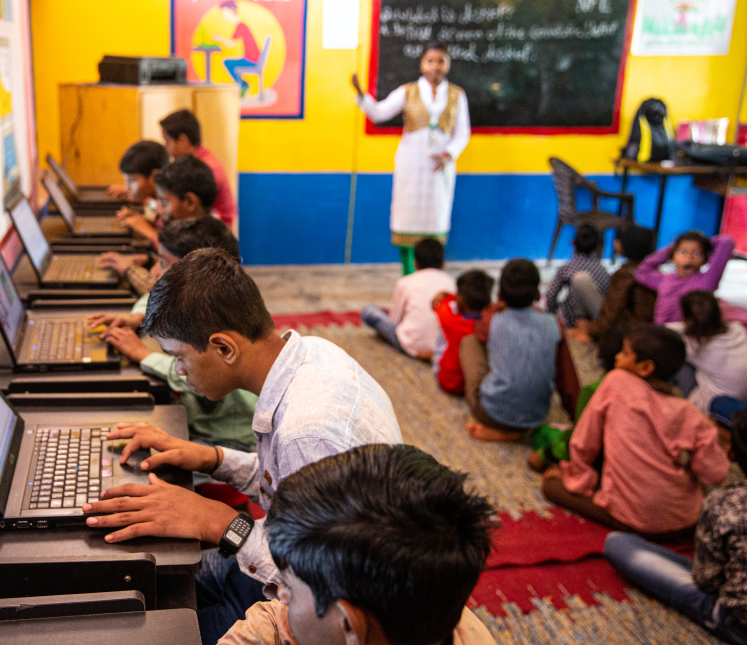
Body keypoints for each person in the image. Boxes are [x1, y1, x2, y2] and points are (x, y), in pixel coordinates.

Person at [79, 248, 403, 645]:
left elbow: (319, 590)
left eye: (179, 358)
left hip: (300, 608)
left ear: (225, 348)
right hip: (272, 552)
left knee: (140, 620)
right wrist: (213, 458)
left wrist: (218, 521)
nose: (178, 372)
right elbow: (290, 486)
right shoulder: (310, 354)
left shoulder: (309, 431)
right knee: (140, 580)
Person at [217, 444, 497, 645]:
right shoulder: (429, 605)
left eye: (289, 587)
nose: (281, 595)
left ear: (347, 624)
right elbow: (281, 622)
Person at [543, 324, 729, 540]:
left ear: (645, 367)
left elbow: (583, 442)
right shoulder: (689, 412)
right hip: (687, 522)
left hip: (632, 520)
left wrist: (578, 480)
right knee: (696, 492)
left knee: (551, 485)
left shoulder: (616, 381)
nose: (617, 358)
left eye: (624, 353)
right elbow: (716, 474)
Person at [89, 217, 257, 453]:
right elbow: (154, 295)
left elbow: (190, 373)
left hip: (228, 441)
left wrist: (143, 355)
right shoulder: (208, 296)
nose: (155, 271)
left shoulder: (212, 317)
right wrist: (138, 318)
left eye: (163, 263)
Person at [604, 406, 747, 645]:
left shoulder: (723, 503)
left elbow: (706, 580)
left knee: (617, 543)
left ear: (731, 454)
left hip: (739, 625)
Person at [351, 41, 471, 276]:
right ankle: (408, 275)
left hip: (440, 168)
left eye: (440, 61)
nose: (434, 66)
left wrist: (448, 154)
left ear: (447, 65)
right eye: (430, 60)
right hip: (410, 165)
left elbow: (463, 133)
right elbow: (379, 112)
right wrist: (361, 94)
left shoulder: (458, 95)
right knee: (407, 219)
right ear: (421, 63)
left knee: (435, 221)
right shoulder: (407, 91)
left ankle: (431, 276)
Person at [459, 259, 559, 442]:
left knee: (469, 342)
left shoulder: (491, 321)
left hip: (491, 414)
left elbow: (478, 331)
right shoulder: (555, 324)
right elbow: (567, 380)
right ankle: (519, 429)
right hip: (537, 415)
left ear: (499, 294)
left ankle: (504, 432)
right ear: (537, 294)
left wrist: (495, 308)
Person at [527, 329, 626, 473]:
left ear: (598, 353)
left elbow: (581, 442)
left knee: (540, 434)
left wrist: (544, 455)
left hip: (600, 466)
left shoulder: (593, 391)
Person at [104, 154, 217, 276]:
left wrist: (128, 270)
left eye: (164, 202)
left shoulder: (206, 246)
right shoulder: (196, 230)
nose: (160, 211)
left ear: (190, 202)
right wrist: (148, 260)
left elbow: (167, 290)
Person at [360, 238, 456, 359]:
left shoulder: (405, 282)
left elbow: (394, 320)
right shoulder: (453, 283)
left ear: (415, 263)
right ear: (443, 263)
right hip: (443, 347)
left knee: (368, 311)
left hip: (409, 344)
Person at [99, 140, 170, 292]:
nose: (126, 187)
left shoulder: (172, 205)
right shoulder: (157, 201)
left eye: (132, 180)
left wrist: (150, 232)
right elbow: (153, 207)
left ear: (154, 176)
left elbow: (177, 256)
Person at [666, 291, 747, 416]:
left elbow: (663, 331)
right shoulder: (737, 329)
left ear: (685, 318)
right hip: (745, 401)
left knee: (675, 361)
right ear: (720, 313)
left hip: (715, 405)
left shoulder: (692, 345)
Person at [570, 224, 656, 343]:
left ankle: (584, 329)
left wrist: (591, 330)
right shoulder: (654, 271)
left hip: (624, 332)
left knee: (580, 279)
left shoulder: (624, 275)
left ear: (620, 245)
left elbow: (612, 315)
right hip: (642, 329)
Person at [634, 230, 735, 325]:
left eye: (696, 253)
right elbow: (641, 271)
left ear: (705, 260)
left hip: (690, 337)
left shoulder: (707, 281)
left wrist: (703, 242)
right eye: (682, 252)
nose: (689, 257)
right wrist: (672, 248)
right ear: (673, 256)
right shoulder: (664, 280)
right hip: (663, 335)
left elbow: (726, 242)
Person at [160, 109, 237, 229]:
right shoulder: (194, 163)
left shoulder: (206, 168)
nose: (165, 148)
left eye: (167, 142)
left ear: (182, 140)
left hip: (212, 236)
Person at [431, 269, 494, 395]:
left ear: (460, 301)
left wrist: (448, 295)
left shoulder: (448, 317)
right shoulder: (493, 320)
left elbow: (438, 304)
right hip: (480, 383)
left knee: (442, 340)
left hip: (450, 383)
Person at [544, 224, 610, 328]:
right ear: (598, 248)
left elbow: (551, 296)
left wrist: (553, 317)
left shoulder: (566, 269)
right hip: (597, 321)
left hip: (571, 322)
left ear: (573, 243)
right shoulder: (603, 271)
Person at [213, 1, 261, 99]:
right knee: (228, 62)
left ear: (231, 11)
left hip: (252, 60)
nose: (223, 17)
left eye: (224, 14)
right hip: (252, 58)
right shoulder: (241, 25)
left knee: (227, 62)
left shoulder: (241, 26)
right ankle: (242, 84)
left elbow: (231, 44)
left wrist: (219, 38)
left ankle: (242, 85)